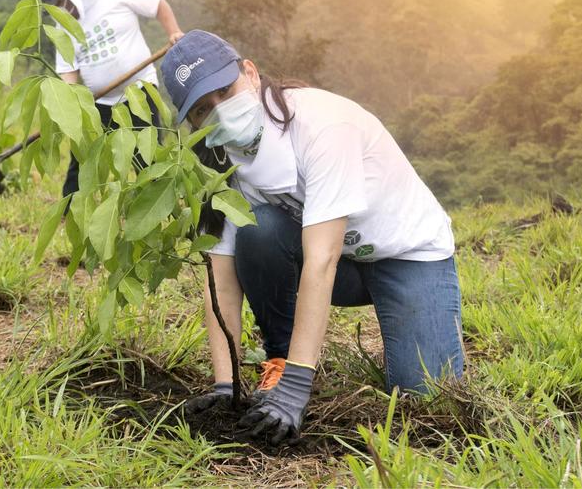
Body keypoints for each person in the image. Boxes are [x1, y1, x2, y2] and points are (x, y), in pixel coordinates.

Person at [160, 30, 464, 445]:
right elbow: (222, 279)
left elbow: (321, 259)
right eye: (201, 109)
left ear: (249, 72)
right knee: (258, 229)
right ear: (191, 122)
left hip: (406, 255)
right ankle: (282, 357)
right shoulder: (215, 159)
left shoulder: (321, 126)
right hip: (333, 261)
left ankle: (297, 371)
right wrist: (225, 384)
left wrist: (300, 388)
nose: (220, 111)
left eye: (225, 90)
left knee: (430, 404)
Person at [35, 0, 184, 197]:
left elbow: (157, 4)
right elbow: (69, 71)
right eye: (53, 8)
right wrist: (70, 104)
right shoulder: (62, 26)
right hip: (100, 102)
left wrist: (174, 32)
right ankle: (70, 206)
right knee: (83, 154)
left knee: (147, 154)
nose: (59, 12)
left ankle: (158, 205)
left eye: (60, 4)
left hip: (141, 91)